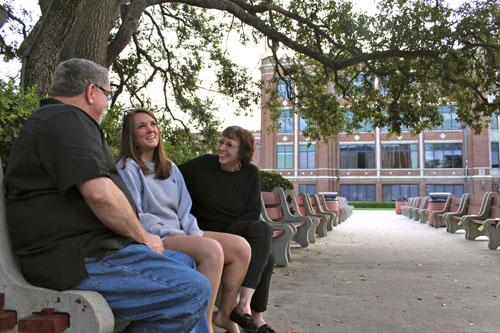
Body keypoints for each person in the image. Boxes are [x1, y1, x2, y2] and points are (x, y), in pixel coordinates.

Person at [4, 58, 211, 333]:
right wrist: (142, 236)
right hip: (74, 259)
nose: (106, 103)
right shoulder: (66, 119)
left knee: (185, 263)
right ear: (91, 92)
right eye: (107, 94)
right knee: (193, 291)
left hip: (94, 251)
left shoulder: (60, 121)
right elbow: (99, 194)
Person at [116, 108, 252, 333]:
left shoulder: (169, 168)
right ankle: (204, 325)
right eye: (141, 126)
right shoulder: (128, 167)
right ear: (131, 135)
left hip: (180, 232)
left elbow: (185, 210)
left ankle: (226, 316)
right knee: (211, 250)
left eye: (152, 124)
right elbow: (135, 215)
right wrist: (185, 237)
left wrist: (193, 234)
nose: (150, 129)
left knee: (241, 248)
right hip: (156, 236)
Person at [180, 126, 276, 333]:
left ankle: (246, 307)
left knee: (264, 239)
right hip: (205, 231)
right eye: (221, 142)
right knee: (266, 254)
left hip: (235, 229)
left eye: (229, 145)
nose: (222, 148)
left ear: (242, 152)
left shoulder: (250, 172)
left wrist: (233, 232)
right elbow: (169, 172)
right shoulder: (202, 165)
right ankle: (247, 313)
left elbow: (252, 212)